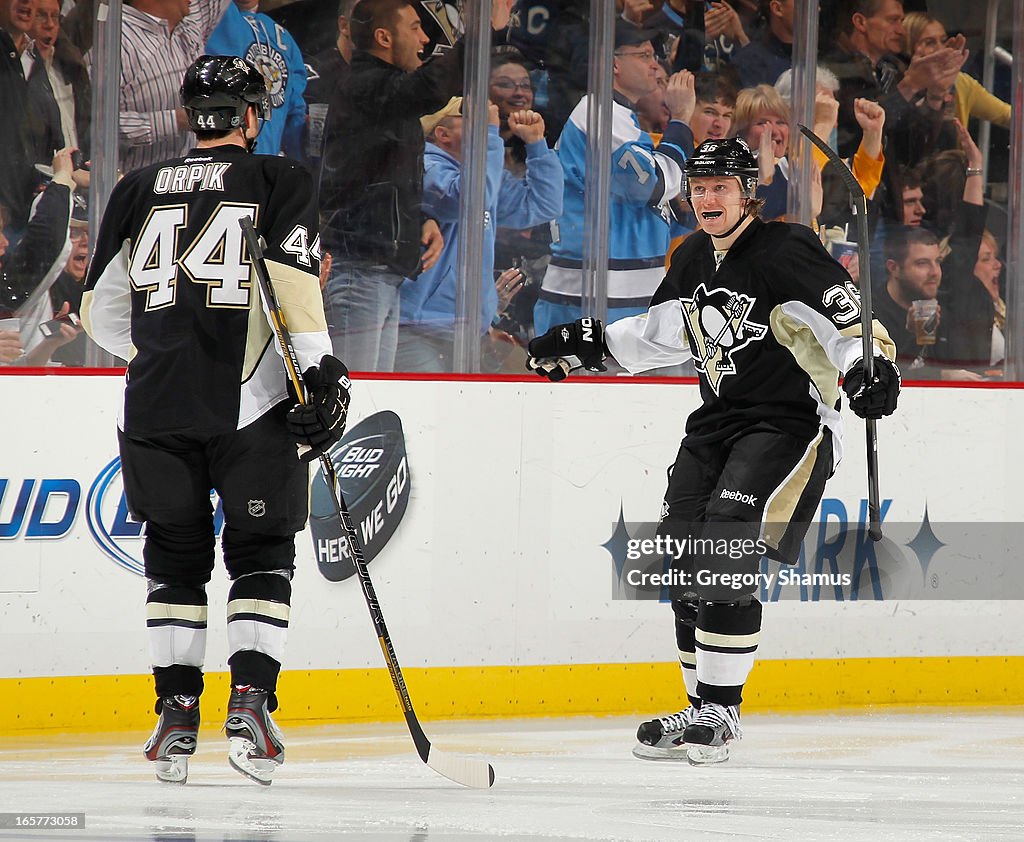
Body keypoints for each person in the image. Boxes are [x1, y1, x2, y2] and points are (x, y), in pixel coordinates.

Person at [526, 137, 899, 764]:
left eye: (721, 187)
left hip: (787, 424)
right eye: (699, 188)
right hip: (716, 423)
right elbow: (659, 335)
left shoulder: (788, 249)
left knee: (725, 539)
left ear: (748, 192)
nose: (707, 198)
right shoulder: (695, 254)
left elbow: (850, 324)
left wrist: (868, 369)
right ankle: (701, 707)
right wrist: (581, 343)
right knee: (682, 550)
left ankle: (721, 712)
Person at [80, 55, 349, 786]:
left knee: (174, 559)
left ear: (186, 116)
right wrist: (321, 371)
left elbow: (99, 312)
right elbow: (293, 286)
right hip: (251, 403)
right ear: (252, 117)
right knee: (261, 554)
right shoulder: (278, 179)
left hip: (155, 406)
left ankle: (174, 716)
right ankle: (251, 707)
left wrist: (168, 351)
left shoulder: (136, 188)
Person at [318, 0, 515, 372]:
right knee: (352, 398)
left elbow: (379, 178)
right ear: (383, 37)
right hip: (359, 269)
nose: (425, 39)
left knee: (372, 395)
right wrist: (484, 31)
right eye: (414, 28)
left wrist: (421, 217)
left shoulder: (384, 95)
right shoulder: (367, 86)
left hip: (380, 271)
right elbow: (433, 85)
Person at [534, 19, 695, 336]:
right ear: (613, 64)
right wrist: (681, 120)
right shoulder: (597, 114)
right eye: (644, 55)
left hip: (625, 295)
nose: (655, 65)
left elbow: (659, 209)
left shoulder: (623, 120)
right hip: (593, 300)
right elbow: (652, 187)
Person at [395, 97, 562, 371]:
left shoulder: (484, 176)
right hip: (418, 330)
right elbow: (469, 200)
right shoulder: (425, 167)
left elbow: (542, 206)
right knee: (422, 413)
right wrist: (489, 138)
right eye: (474, 121)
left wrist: (536, 146)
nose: (488, 126)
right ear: (442, 134)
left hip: (469, 331)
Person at [119, 0, 231, 173]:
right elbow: (94, 128)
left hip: (190, 183)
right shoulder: (116, 39)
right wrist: (175, 121)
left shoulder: (189, 27)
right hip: (137, 190)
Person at [205, 0, 308, 157]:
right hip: (214, 163)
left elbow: (294, 118)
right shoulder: (208, 17)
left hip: (263, 169)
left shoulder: (284, 39)